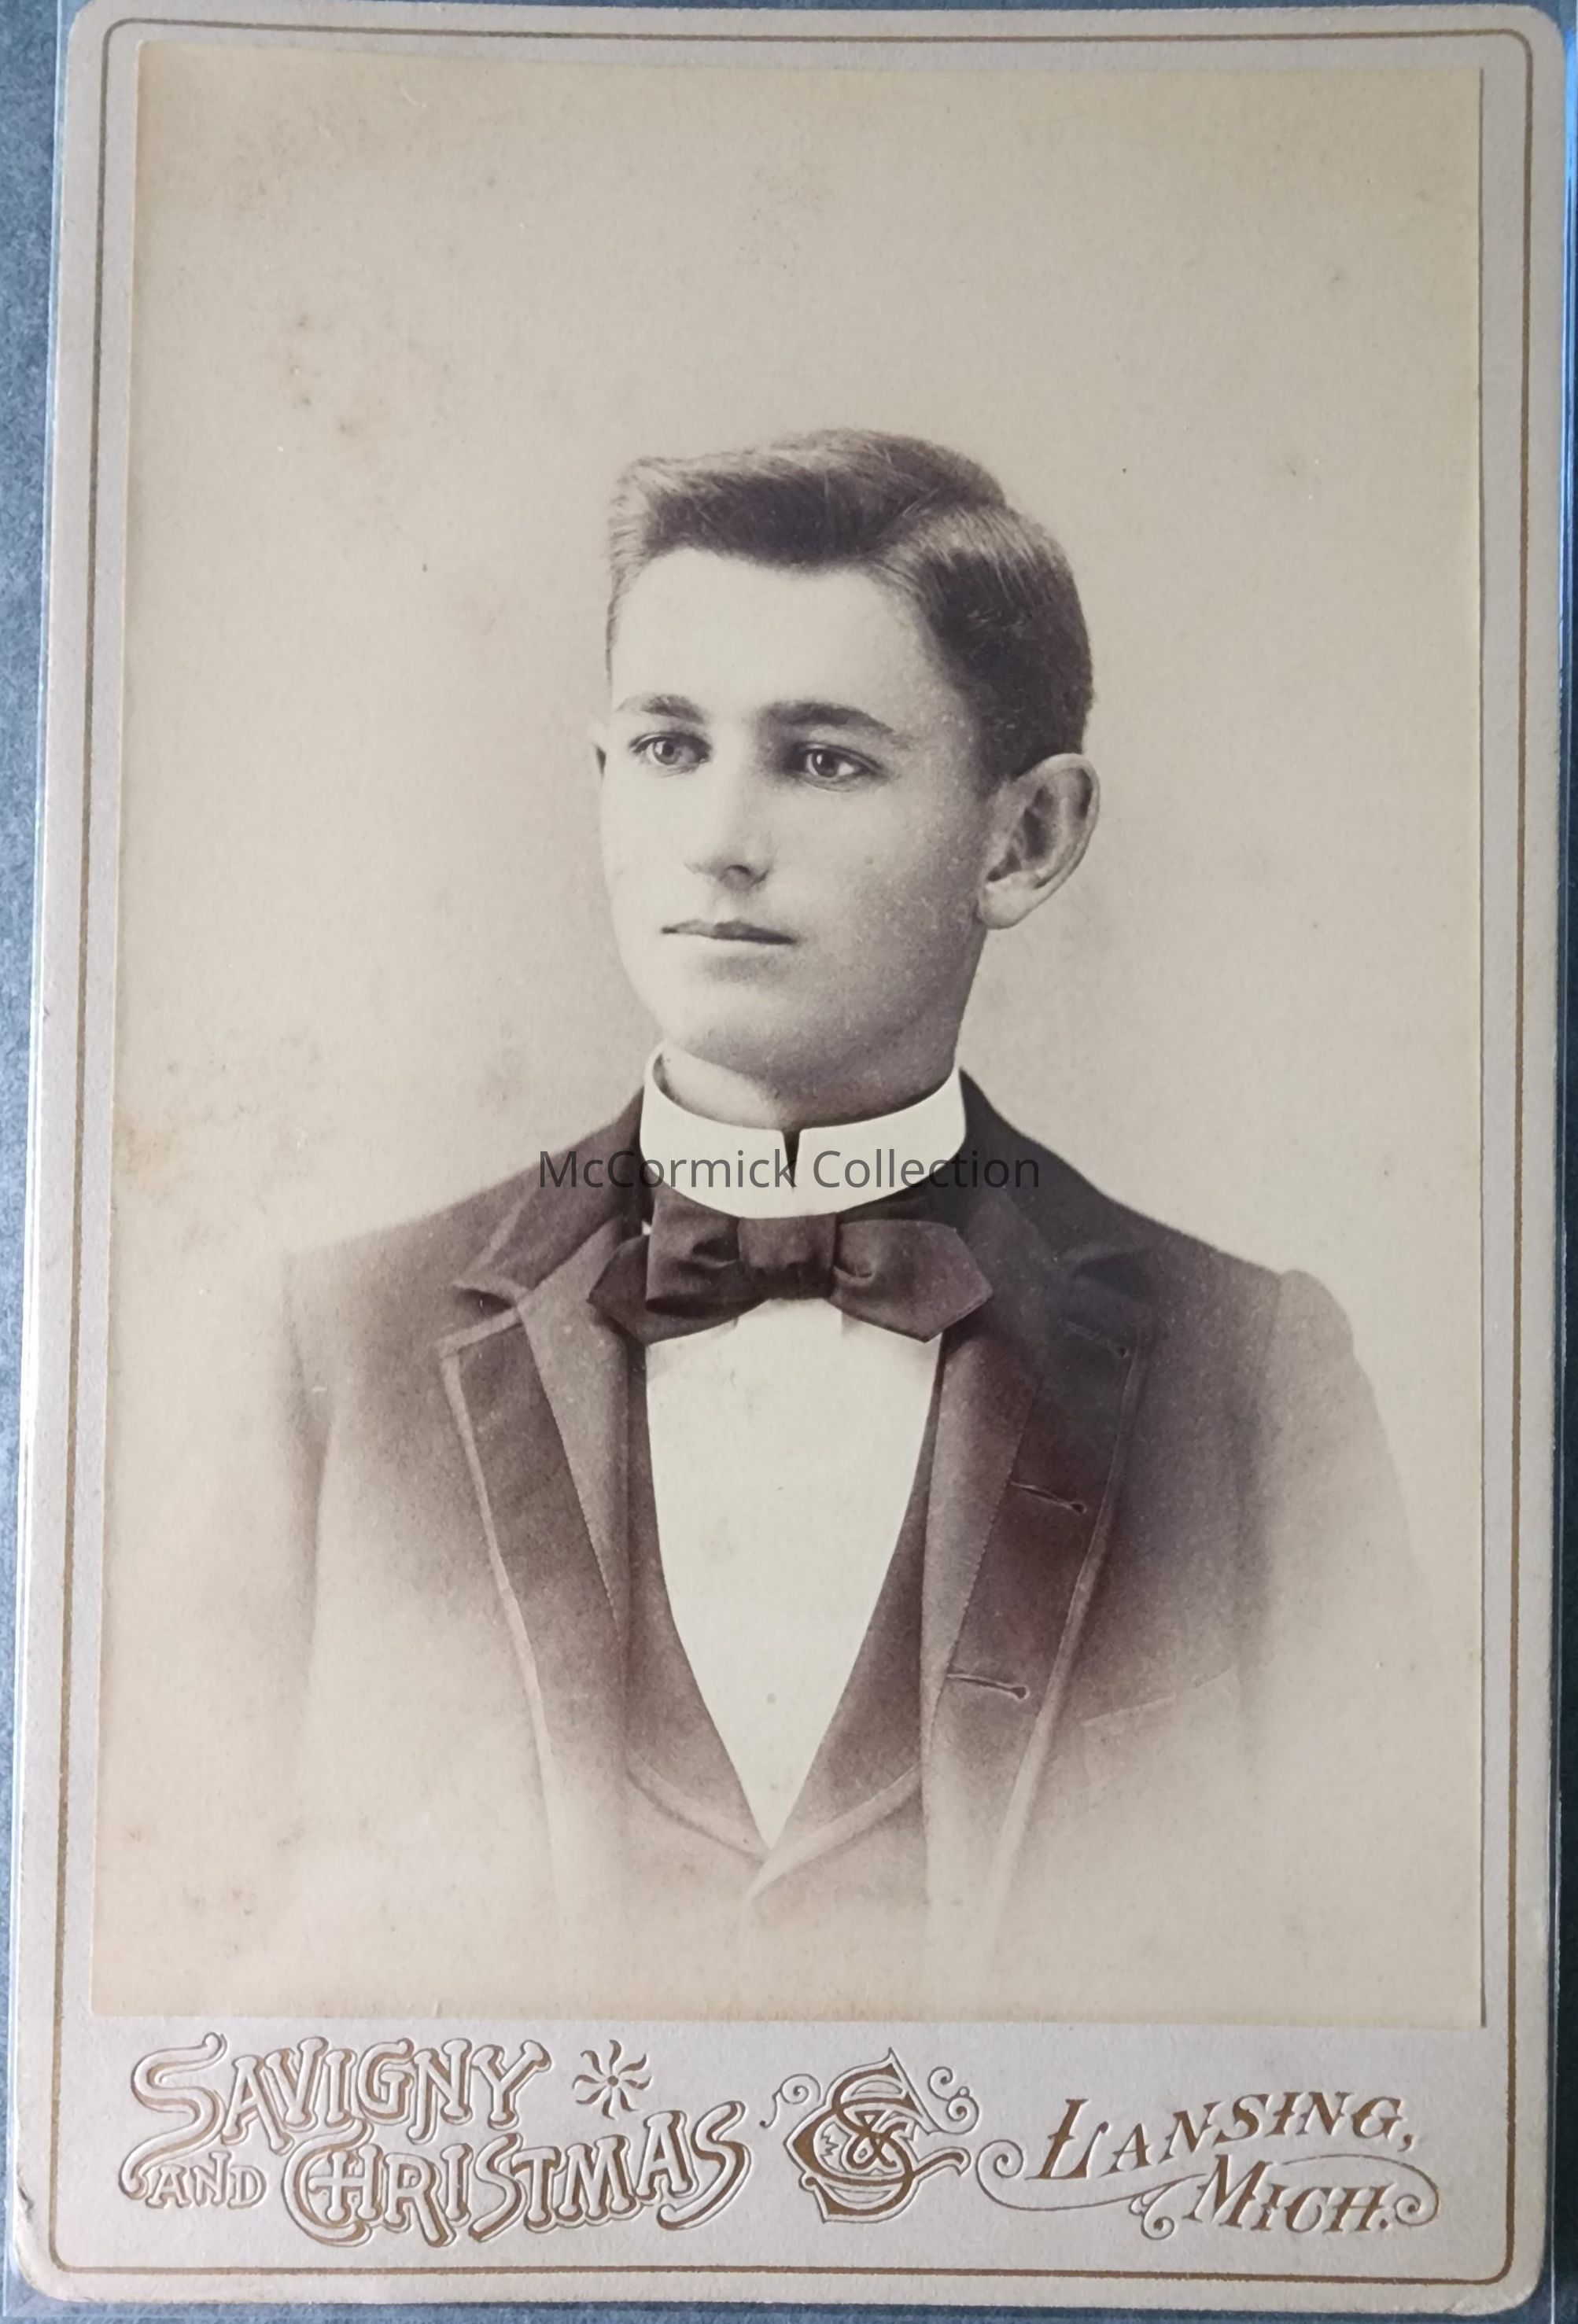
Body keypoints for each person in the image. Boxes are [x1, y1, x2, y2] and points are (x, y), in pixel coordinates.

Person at [158, 430, 1461, 2024]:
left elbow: (1391, 1987)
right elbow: (172, 1975)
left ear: (1025, 838)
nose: (718, 836)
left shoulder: (1244, 1372)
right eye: (666, 745)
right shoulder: (330, 1351)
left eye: (823, 759)